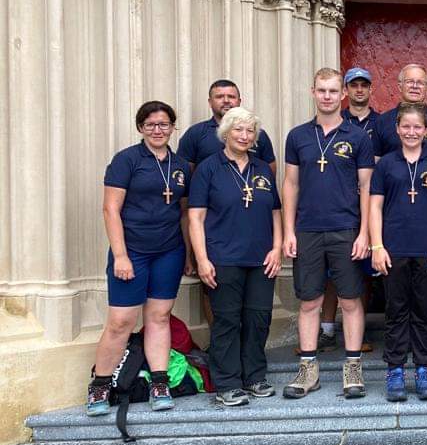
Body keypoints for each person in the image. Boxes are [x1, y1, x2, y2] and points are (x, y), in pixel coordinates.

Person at [87, 101, 193, 416]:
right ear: (140, 128)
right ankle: (100, 385)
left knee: (159, 317)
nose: (158, 130)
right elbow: (110, 209)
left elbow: (184, 213)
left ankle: (159, 383)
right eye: (151, 125)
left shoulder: (181, 165)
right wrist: (120, 255)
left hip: (169, 251)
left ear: (173, 127)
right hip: (132, 252)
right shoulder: (126, 160)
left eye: (164, 124)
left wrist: (188, 253)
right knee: (121, 321)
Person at [282, 68, 374, 400]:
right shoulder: (298, 136)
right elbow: (291, 184)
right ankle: (308, 370)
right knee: (309, 301)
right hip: (307, 229)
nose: (327, 96)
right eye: (321, 90)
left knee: (350, 299)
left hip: (346, 229)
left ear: (343, 94)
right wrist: (288, 231)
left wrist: (365, 233)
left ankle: (353, 368)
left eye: (333, 91)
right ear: (313, 92)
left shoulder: (358, 137)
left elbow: (367, 187)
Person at [188, 107, 282, 406]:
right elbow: (195, 218)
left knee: (258, 319)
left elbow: (275, 212)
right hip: (223, 257)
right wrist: (202, 259)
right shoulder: (208, 168)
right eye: (238, 130)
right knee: (227, 321)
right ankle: (227, 383)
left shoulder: (262, 168)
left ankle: (254, 377)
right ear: (225, 133)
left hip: (261, 259)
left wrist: (277, 248)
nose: (244, 135)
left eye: (250, 130)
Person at [370, 102, 427, 402]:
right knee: (396, 311)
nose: (411, 132)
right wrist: (377, 246)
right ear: (397, 129)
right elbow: (375, 207)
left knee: (424, 312)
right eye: (405, 126)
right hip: (393, 249)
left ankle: (423, 369)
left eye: (417, 127)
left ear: (426, 130)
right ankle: (395, 370)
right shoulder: (386, 164)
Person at [374, 64, 427, 357]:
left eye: (420, 82)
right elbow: (374, 171)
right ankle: (398, 349)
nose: (414, 86)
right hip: (395, 220)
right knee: (396, 290)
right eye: (409, 81)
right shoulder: (383, 122)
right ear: (399, 85)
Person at [178, 79, 276, 333]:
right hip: (217, 237)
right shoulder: (197, 136)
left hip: (255, 243)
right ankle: (221, 351)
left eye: (231, 96)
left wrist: (276, 247)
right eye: (219, 96)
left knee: (256, 314)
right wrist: (196, 254)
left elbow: (270, 194)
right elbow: (187, 190)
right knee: (221, 309)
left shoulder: (260, 148)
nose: (244, 135)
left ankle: (249, 359)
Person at [319, 66, 380, 352]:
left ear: (370, 89)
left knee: (361, 272)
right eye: (353, 85)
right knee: (332, 272)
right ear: (346, 91)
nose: (359, 90)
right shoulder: (335, 120)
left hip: (367, 207)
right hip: (336, 207)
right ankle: (327, 329)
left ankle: (359, 330)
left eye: (363, 85)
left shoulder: (382, 123)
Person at [178, 79, 277, 172]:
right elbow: (184, 172)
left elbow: (268, 174)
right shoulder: (195, 133)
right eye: (219, 97)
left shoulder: (257, 133)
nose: (226, 100)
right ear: (210, 102)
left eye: (231, 97)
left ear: (239, 101)